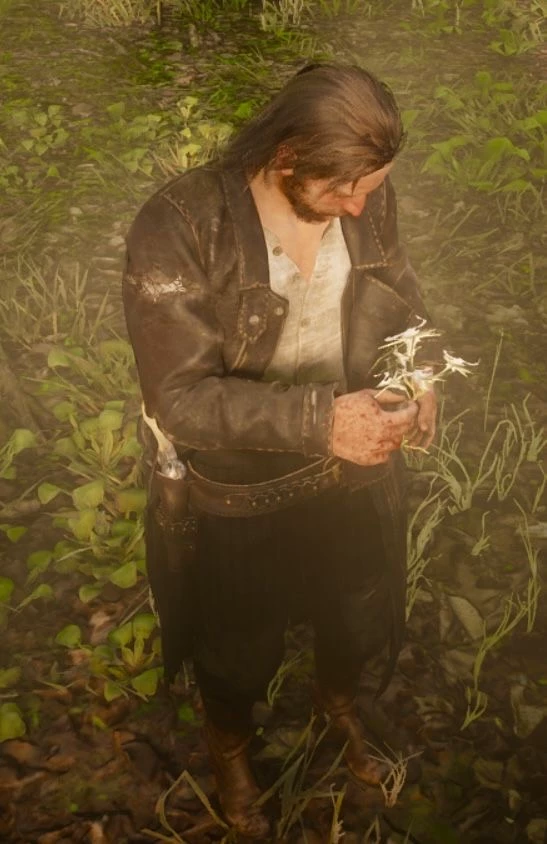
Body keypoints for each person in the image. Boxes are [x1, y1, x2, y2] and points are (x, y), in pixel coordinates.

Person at [122, 62, 439, 839]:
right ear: (287, 154)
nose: (359, 205)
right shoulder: (180, 222)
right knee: (236, 645)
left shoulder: (365, 194)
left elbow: (403, 305)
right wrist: (320, 421)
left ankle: (338, 707)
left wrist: (421, 376)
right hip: (239, 487)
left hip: (354, 466)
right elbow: (180, 400)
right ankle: (230, 747)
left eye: (371, 187)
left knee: (356, 613)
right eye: (342, 189)